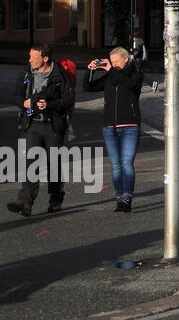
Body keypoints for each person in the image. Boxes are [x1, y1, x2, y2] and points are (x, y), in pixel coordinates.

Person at [7, 44, 74, 216]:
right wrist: (24, 103)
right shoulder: (26, 73)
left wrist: (49, 105)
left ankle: (56, 200)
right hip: (32, 124)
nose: (29, 60)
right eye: (29, 56)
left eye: (33, 57)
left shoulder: (60, 75)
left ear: (45, 59)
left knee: (54, 164)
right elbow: (16, 96)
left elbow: (68, 100)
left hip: (53, 125)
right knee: (30, 162)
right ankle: (25, 202)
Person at [84, 47, 143, 213]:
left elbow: (129, 84)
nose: (114, 64)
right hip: (110, 127)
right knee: (116, 165)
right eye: (112, 61)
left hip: (130, 126)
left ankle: (127, 197)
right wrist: (90, 71)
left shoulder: (135, 73)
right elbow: (89, 87)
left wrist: (110, 70)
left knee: (126, 163)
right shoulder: (111, 76)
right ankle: (119, 197)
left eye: (117, 61)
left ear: (125, 59)